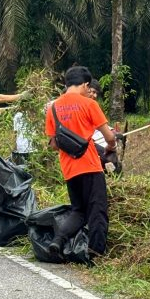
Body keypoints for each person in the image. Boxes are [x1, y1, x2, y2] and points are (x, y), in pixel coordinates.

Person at [45, 66, 117, 257]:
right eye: (88, 87)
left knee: (78, 211)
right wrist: (111, 148)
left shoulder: (53, 107)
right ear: (85, 84)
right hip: (90, 166)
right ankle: (96, 254)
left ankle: (57, 241)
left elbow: (53, 144)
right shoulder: (89, 104)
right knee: (97, 210)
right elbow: (109, 137)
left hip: (69, 169)